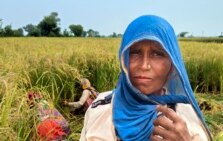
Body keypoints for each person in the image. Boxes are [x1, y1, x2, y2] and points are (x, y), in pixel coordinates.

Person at [80, 15, 212, 141]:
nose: (144, 65)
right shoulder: (100, 107)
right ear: (123, 58)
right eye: (135, 53)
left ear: (172, 64)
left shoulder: (186, 116)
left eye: (157, 54)